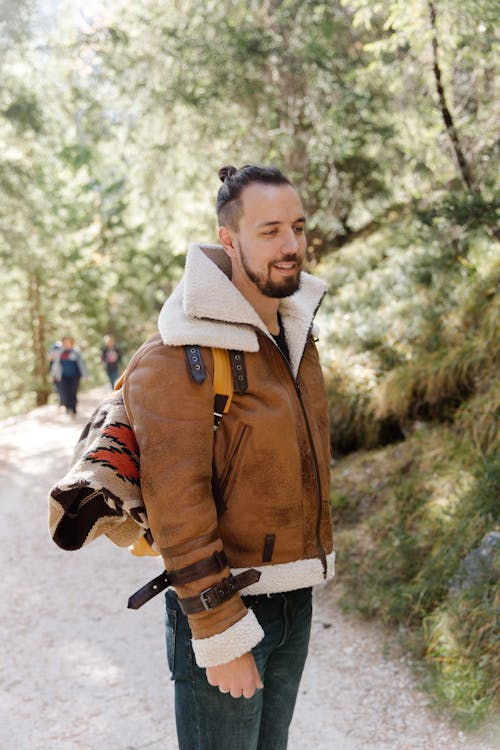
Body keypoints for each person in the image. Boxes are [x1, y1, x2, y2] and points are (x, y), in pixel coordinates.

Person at [120, 164, 335, 750]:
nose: (291, 245)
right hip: (227, 604)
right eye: (269, 231)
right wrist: (220, 631)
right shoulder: (176, 355)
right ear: (229, 240)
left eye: (296, 226)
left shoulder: (296, 332)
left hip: (294, 599)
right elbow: (177, 510)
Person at [51, 336, 88, 415]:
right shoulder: (59, 352)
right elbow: (54, 362)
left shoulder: (76, 352)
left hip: (74, 376)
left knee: (73, 392)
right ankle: (68, 408)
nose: (67, 344)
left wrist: (85, 375)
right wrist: (53, 375)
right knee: (64, 392)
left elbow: (82, 364)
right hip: (62, 376)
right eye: (65, 342)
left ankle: (73, 408)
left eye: (68, 342)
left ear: (72, 343)